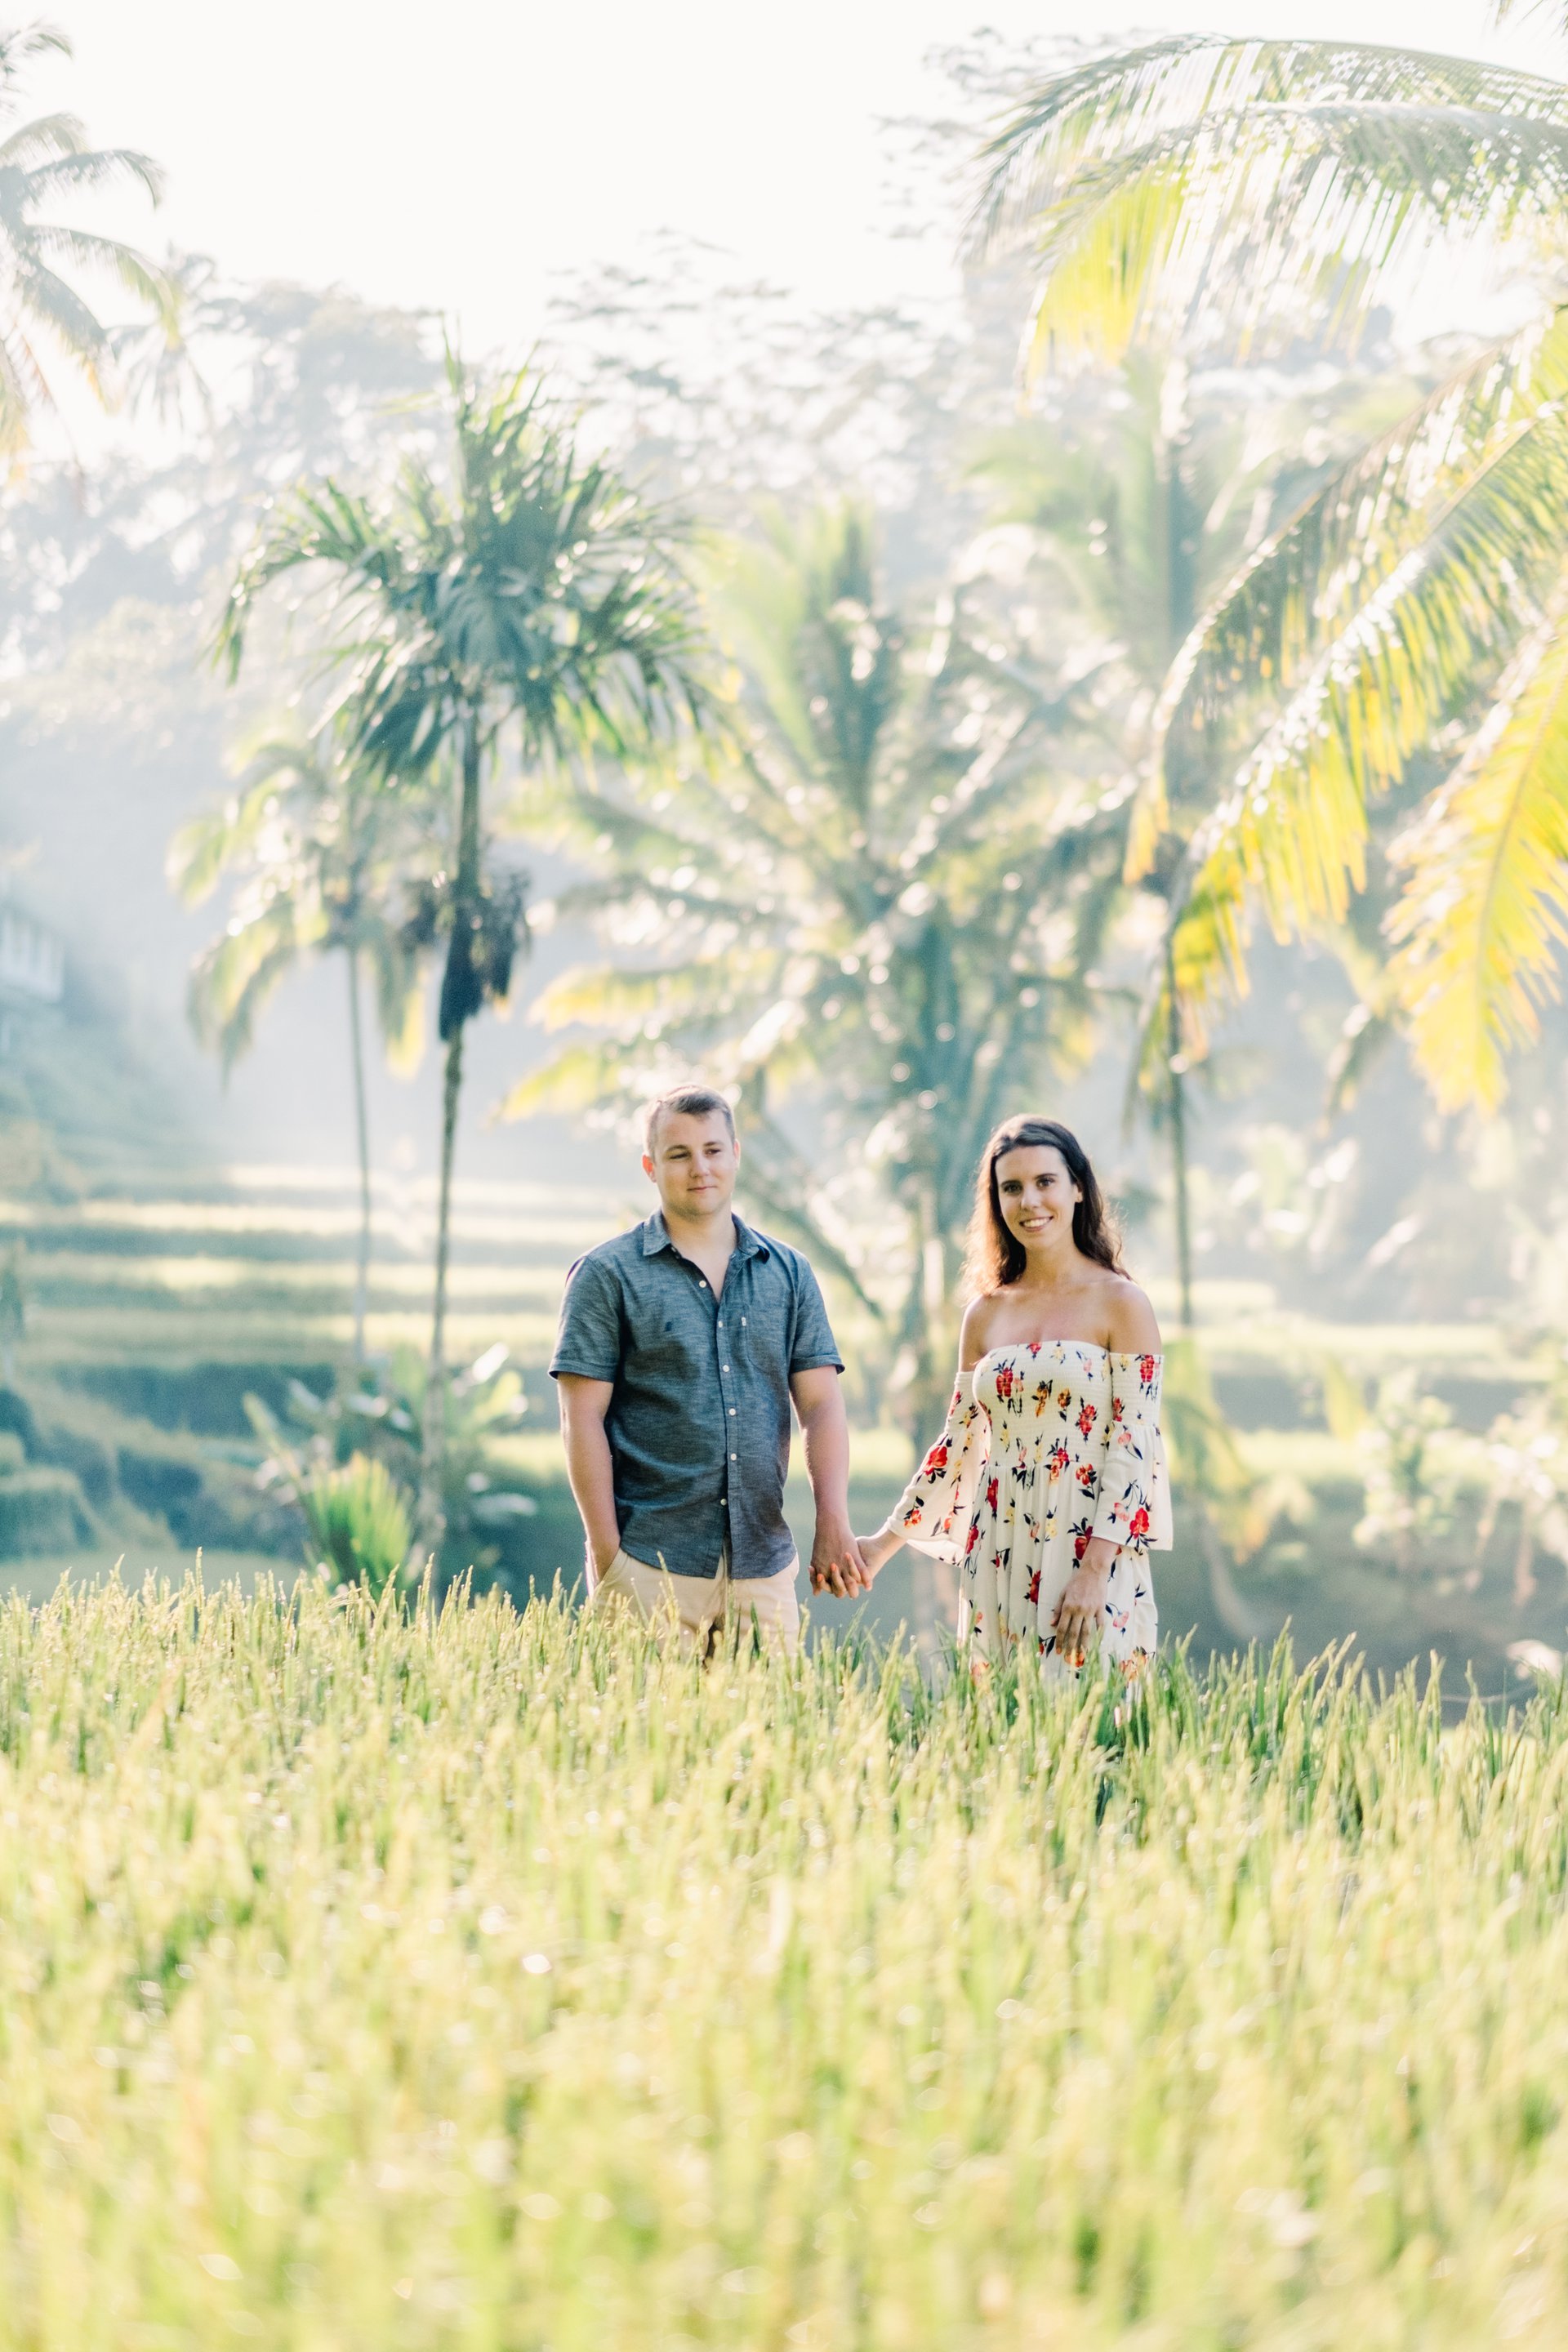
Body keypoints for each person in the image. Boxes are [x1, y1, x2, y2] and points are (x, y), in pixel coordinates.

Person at [550, 1085, 866, 1655]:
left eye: (713, 1150)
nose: (700, 1167)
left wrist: (833, 1519)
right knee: (642, 1716)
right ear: (651, 1166)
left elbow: (821, 1405)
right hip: (649, 1566)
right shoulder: (606, 1275)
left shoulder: (789, 1273)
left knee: (772, 1717)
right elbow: (581, 1419)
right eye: (679, 1154)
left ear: (736, 1155)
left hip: (763, 1569)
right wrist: (608, 1557)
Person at [854, 1116, 1169, 1676]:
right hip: (1000, 1544)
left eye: (1045, 1182)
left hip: (1088, 1548)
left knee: (1090, 1711)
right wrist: (882, 1545)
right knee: (1003, 1714)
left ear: (1077, 1188)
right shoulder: (985, 1313)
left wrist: (1094, 1571)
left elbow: (1136, 1446)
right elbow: (956, 1446)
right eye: (1012, 1187)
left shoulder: (1122, 1302)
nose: (1030, 1201)